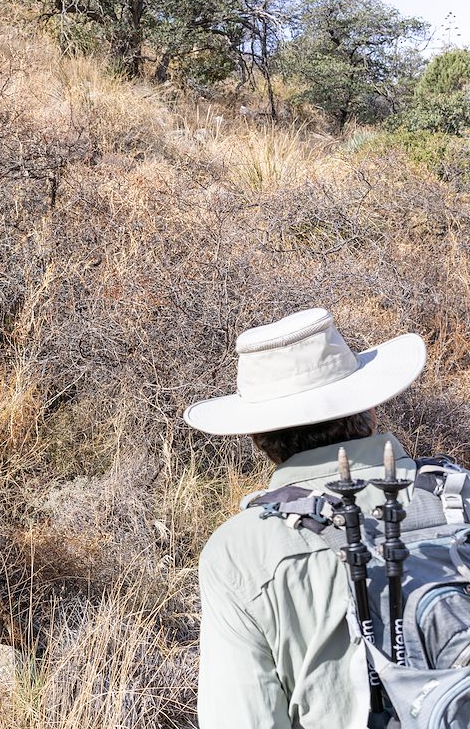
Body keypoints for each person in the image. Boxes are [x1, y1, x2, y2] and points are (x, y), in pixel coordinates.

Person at [183, 307, 427, 729]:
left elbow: (243, 719)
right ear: (369, 411)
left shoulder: (239, 551)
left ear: (258, 439)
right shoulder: (455, 495)